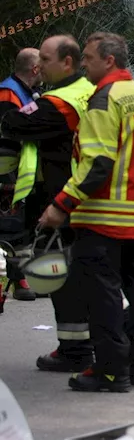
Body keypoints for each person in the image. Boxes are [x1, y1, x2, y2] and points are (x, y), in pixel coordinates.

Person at [37, 32, 134, 392]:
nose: (84, 64)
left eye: (89, 59)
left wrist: (60, 206)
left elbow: (96, 164)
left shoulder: (103, 99)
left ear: (109, 61)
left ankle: (111, 371)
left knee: (103, 299)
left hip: (101, 219)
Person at [1, 36, 96, 370]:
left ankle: (75, 351)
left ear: (66, 63)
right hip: (83, 197)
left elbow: (15, 124)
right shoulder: (87, 90)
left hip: (60, 198)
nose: (38, 66)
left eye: (45, 58)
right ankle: (105, 345)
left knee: (60, 275)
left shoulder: (58, 102)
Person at [0, 47, 43, 301]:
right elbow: (11, 131)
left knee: (22, 228)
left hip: (19, 171)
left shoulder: (26, 92)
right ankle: (21, 281)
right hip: (6, 172)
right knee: (13, 228)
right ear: (35, 69)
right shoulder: (9, 93)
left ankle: (24, 279)